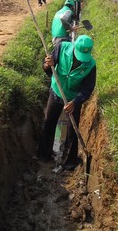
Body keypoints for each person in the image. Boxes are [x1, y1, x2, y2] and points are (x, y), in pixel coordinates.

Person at [37, 35, 96, 171]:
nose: (80, 59)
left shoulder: (91, 65)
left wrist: (76, 102)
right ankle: (43, 155)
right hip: (56, 92)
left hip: (73, 99)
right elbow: (47, 66)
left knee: (72, 130)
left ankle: (69, 161)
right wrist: (47, 64)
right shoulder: (62, 48)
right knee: (49, 123)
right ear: (74, 47)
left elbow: (88, 88)